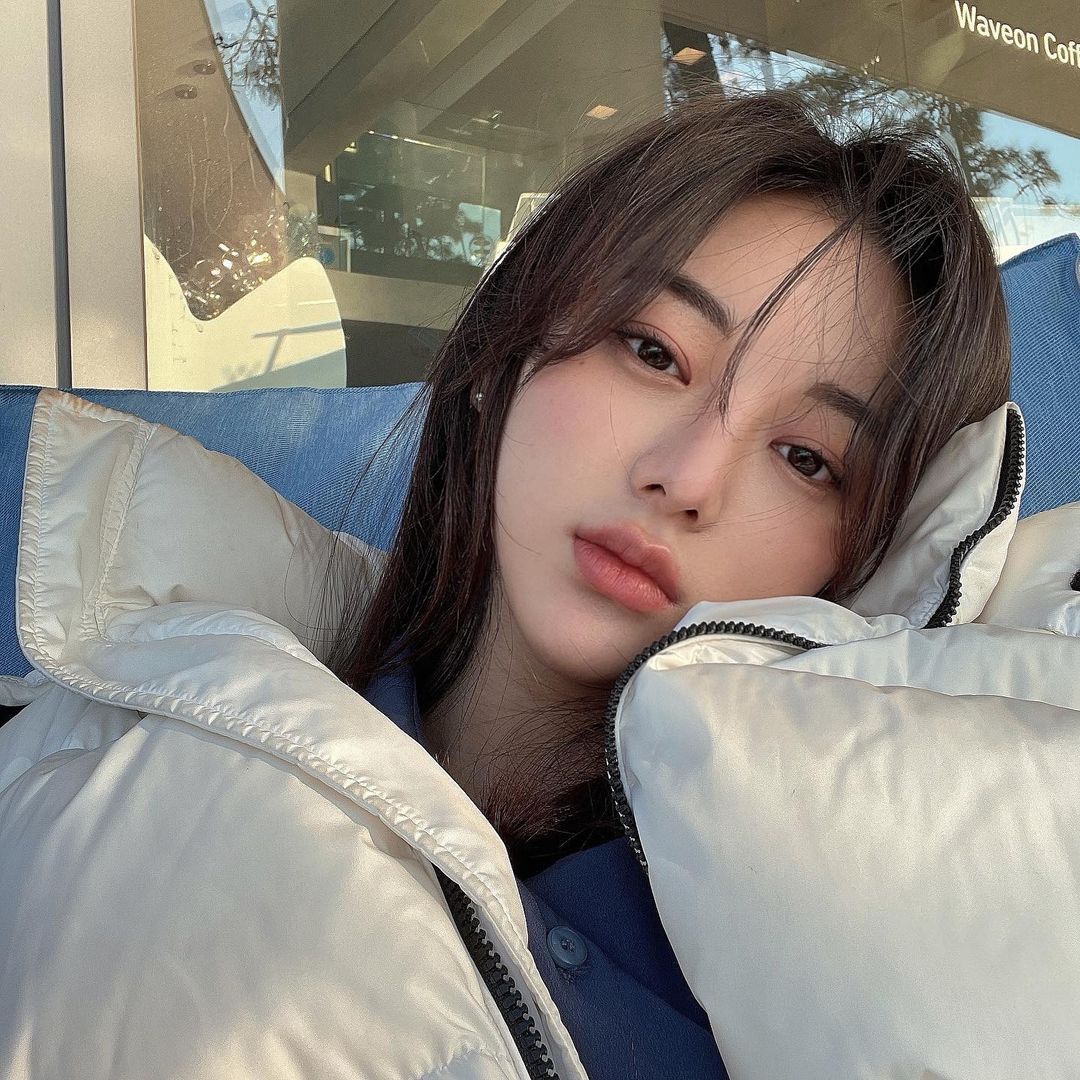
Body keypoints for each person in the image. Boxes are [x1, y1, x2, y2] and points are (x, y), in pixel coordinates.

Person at [1, 87, 1076, 1080]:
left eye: (807, 459)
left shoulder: (845, 954)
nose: (687, 477)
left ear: (863, 564)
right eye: (653, 352)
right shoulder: (102, 740)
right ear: (507, 357)